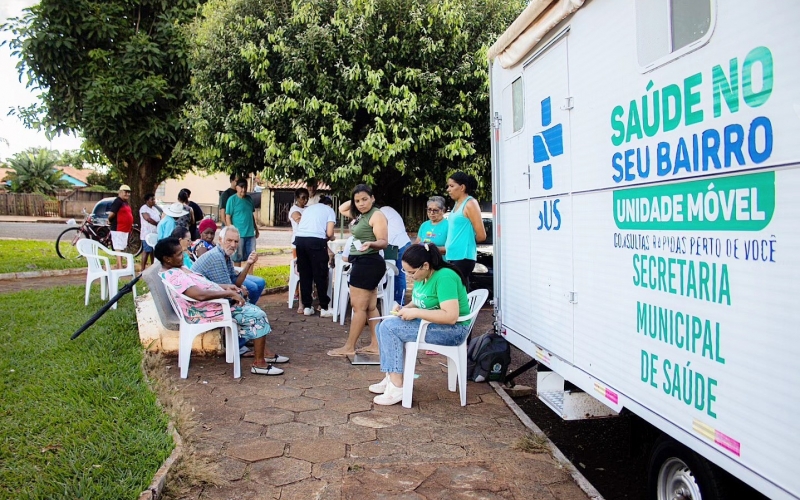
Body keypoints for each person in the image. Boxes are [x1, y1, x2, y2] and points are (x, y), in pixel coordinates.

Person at [154, 237, 284, 376]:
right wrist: (227, 293)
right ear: (167, 259)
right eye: (179, 254)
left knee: (253, 310)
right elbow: (199, 295)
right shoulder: (174, 276)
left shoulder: (178, 269)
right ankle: (260, 364)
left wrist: (225, 287)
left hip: (211, 306)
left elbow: (202, 284)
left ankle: (263, 353)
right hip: (206, 311)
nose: (184, 256)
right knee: (257, 315)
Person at [369, 243, 470, 405]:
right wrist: (403, 309)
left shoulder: (445, 277)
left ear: (425, 265)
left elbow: (451, 316)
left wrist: (415, 313)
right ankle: (391, 375)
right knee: (384, 325)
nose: (409, 276)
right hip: (434, 324)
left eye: (411, 272)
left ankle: (397, 385)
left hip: (453, 331)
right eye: (405, 271)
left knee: (389, 328)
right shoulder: (423, 276)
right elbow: (420, 302)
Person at [192, 226, 278, 360]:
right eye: (229, 241)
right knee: (256, 313)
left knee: (253, 306)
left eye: (236, 242)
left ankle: (251, 345)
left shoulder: (225, 256)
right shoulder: (216, 257)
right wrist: (240, 292)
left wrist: (248, 264)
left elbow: (234, 284)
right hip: (206, 305)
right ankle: (244, 349)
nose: (233, 245)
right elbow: (229, 292)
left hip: (216, 298)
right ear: (220, 240)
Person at [328, 185, 388, 357]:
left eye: (365, 199)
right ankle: (376, 345)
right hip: (364, 262)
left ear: (373, 198)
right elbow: (342, 208)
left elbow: (383, 241)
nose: (361, 203)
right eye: (357, 201)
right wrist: (356, 198)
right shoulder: (361, 214)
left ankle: (349, 346)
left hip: (368, 262)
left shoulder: (376, 215)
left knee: (358, 307)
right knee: (370, 306)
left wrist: (371, 244)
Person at [294, 195, 336, 318]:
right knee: (320, 274)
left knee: (305, 274)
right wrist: (332, 237)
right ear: (329, 205)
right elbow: (329, 233)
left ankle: (307, 307)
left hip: (300, 240)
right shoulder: (329, 210)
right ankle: (324, 308)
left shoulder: (309, 209)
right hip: (316, 242)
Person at [444, 172, 486, 289]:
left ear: (462, 187)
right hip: (452, 255)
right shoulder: (457, 203)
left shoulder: (470, 203)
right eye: (448, 186)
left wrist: (465, 242)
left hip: (463, 257)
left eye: (452, 186)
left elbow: (481, 235)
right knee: (456, 291)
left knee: (454, 291)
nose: (448, 189)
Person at [380, 205, 412, 305]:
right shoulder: (388, 210)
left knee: (398, 275)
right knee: (397, 275)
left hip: (399, 246)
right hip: (402, 243)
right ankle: (394, 301)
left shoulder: (382, 212)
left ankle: (398, 303)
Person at [225, 179, 259, 268]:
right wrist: (231, 232)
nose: (243, 190)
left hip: (250, 234)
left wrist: (256, 229)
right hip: (238, 235)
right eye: (241, 187)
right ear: (237, 188)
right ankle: (238, 278)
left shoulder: (249, 199)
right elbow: (228, 217)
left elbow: (251, 215)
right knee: (237, 258)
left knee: (251, 258)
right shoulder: (232, 200)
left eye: (245, 187)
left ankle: (251, 278)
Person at [107, 185, 133, 269]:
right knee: (118, 248)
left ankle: (119, 265)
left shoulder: (124, 202)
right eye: (126, 192)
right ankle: (120, 266)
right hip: (118, 229)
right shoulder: (117, 201)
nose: (127, 194)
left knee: (121, 247)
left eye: (129, 192)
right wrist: (109, 221)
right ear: (120, 192)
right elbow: (112, 214)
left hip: (124, 229)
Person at [139, 193, 161, 269]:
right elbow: (148, 219)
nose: (154, 201)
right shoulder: (144, 208)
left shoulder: (155, 209)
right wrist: (157, 224)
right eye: (152, 199)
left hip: (154, 233)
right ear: (147, 200)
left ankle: (152, 267)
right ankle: (142, 269)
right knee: (147, 250)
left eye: (154, 199)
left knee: (153, 251)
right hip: (147, 234)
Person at [288, 188, 309, 258]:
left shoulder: (308, 208)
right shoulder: (294, 209)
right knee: (298, 263)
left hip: (308, 240)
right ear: (297, 198)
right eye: (303, 198)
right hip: (298, 240)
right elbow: (300, 221)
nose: (306, 200)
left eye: (307, 198)